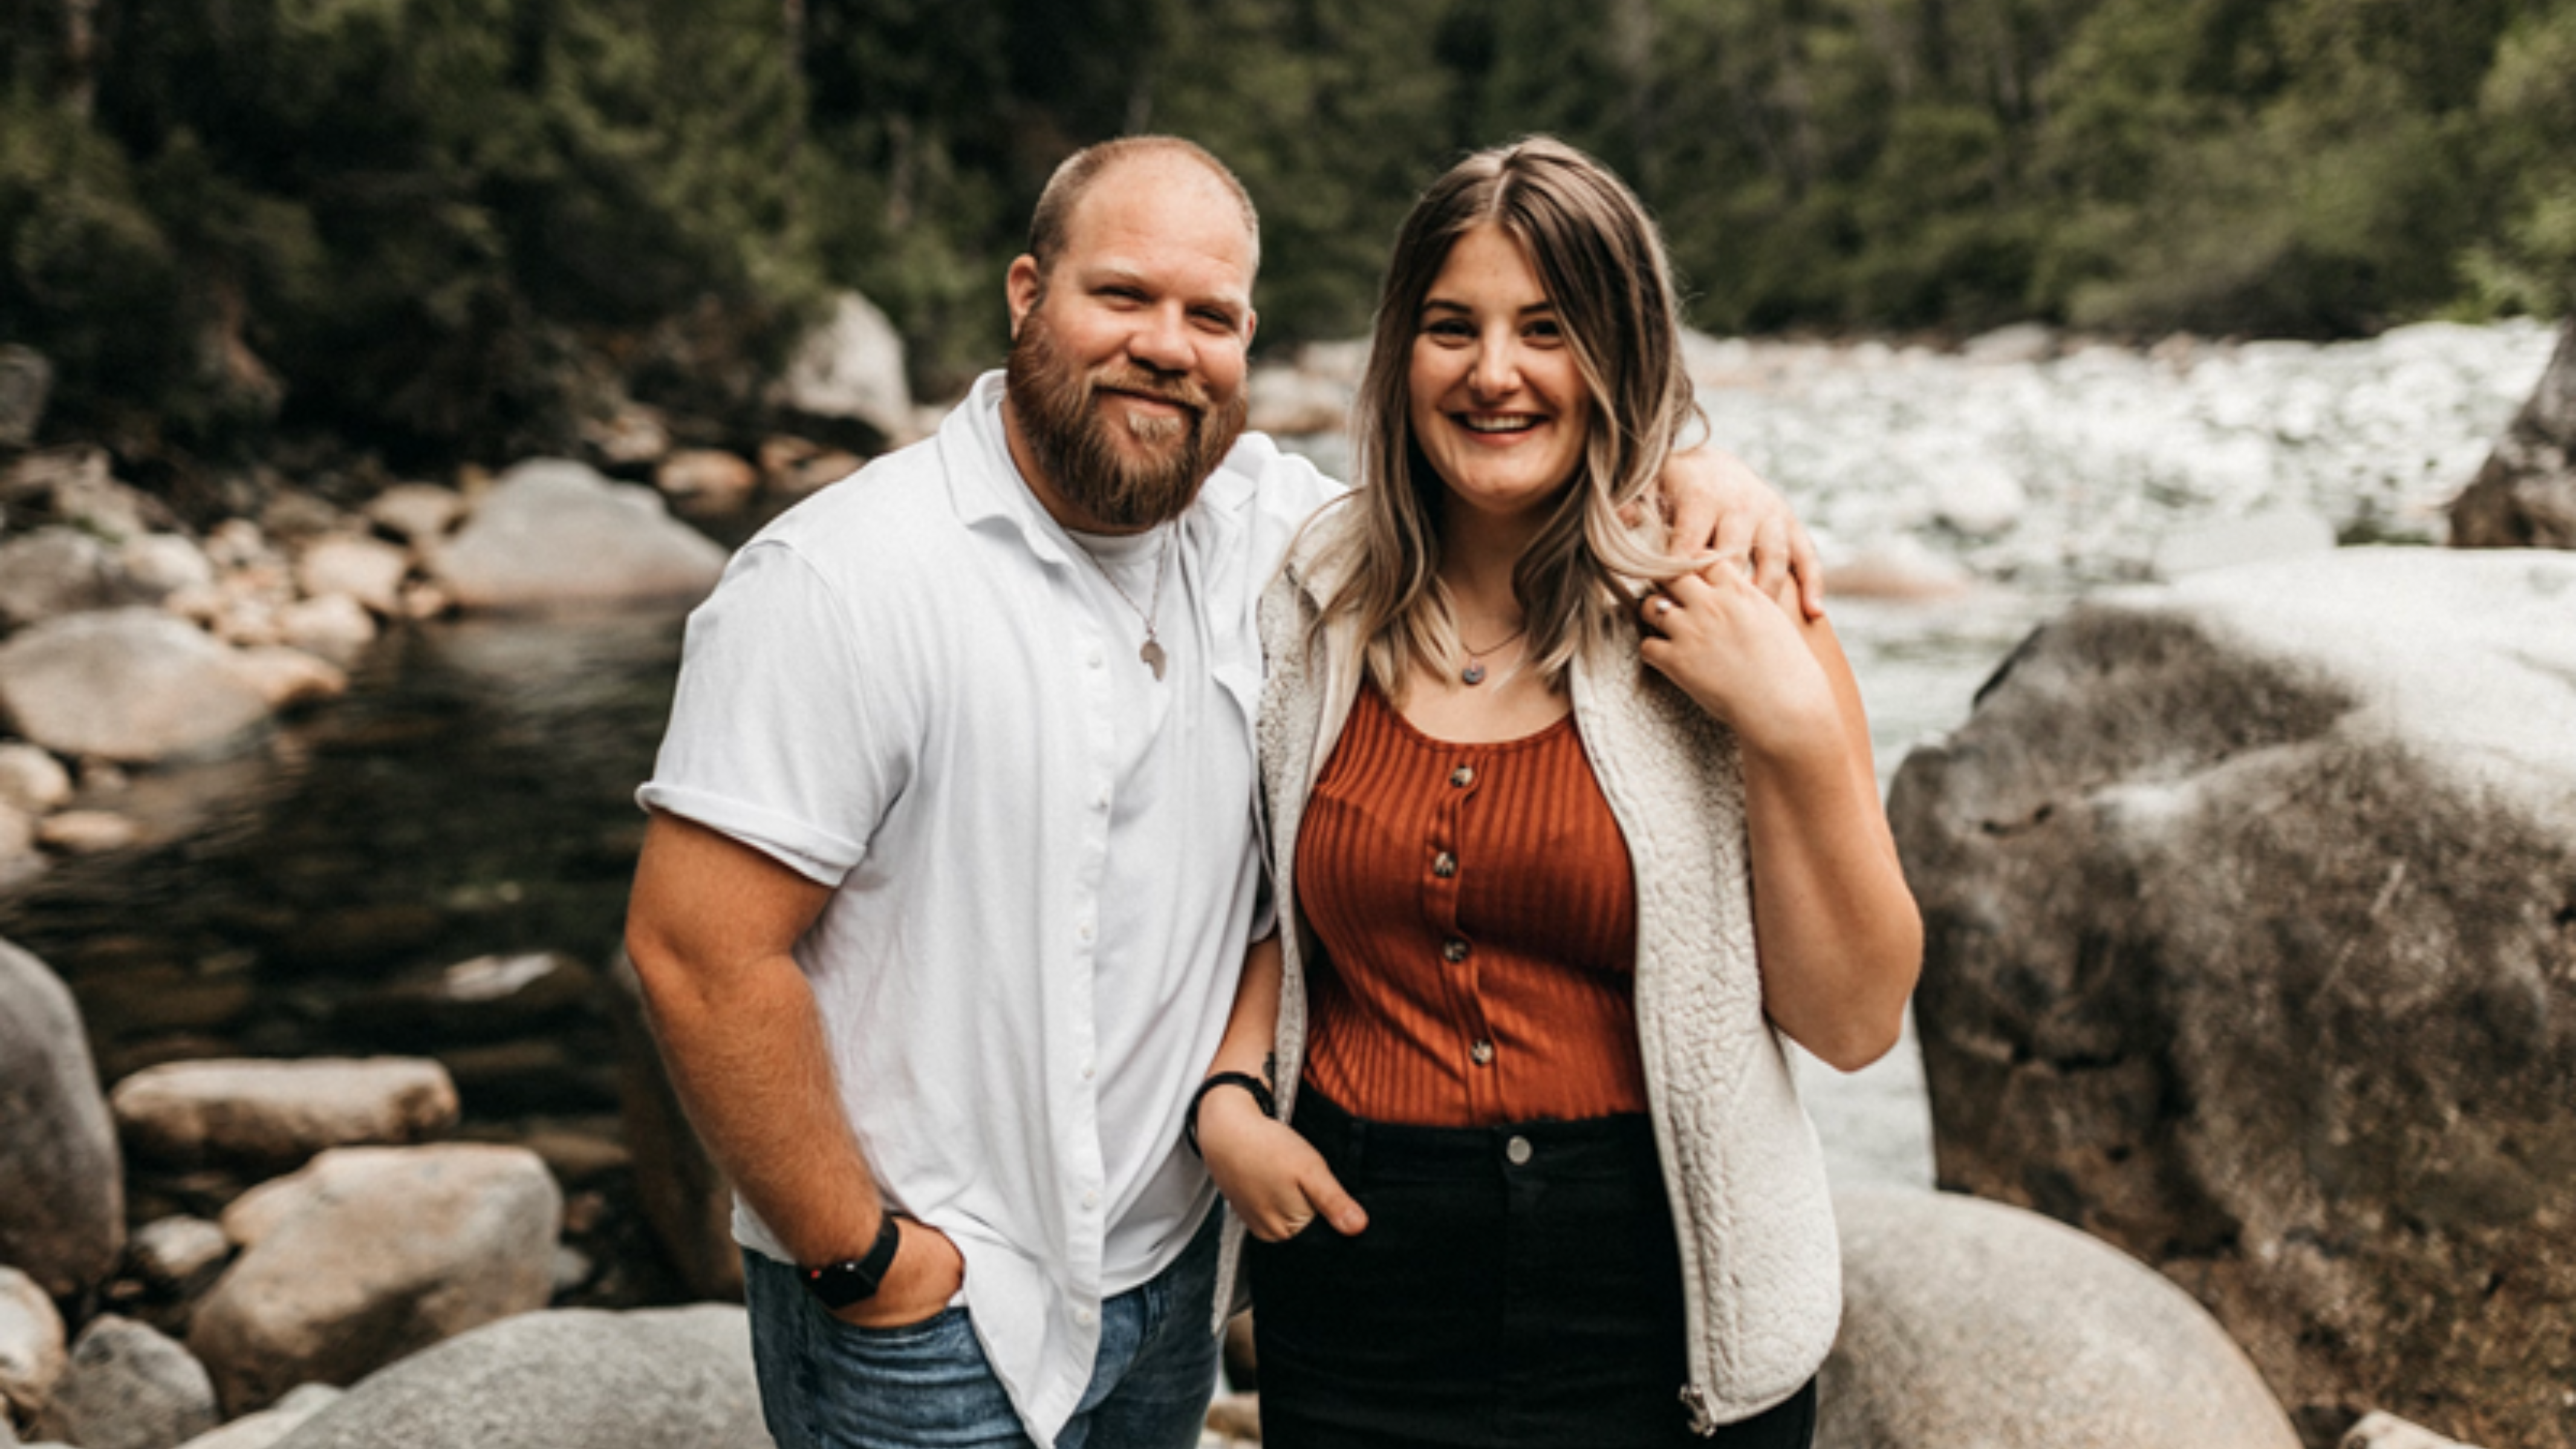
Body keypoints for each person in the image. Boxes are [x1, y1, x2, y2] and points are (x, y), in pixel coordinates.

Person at [623, 134, 1823, 1449]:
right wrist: (863, 1261)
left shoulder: (1276, 541)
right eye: (1122, 296)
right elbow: (696, 950)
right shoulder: (845, 578)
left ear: (1248, 339)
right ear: (1027, 295)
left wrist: (1696, 473)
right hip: (935, 1311)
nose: (1166, 345)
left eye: (1210, 316)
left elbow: (1495, 472)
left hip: (1170, 1289)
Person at [1190, 137, 1923, 1449]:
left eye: (1548, 328)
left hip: (1652, 1302)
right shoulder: (1311, 593)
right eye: (1450, 327)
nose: (1493, 373)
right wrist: (1230, 1098)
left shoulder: (1728, 602)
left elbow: (1856, 1020)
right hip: (1356, 1292)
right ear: (1397, 355)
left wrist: (1794, 731)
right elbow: (1263, 909)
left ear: (1622, 350)